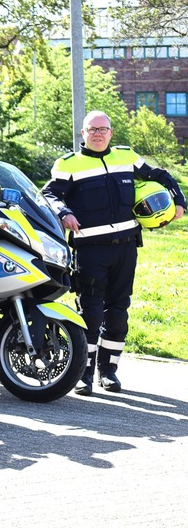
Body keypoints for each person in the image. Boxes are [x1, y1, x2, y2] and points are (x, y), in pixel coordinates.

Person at [42, 111, 184, 396]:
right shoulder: (69, 164)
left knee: (118, 312)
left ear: (111, 132)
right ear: (83, 134)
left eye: (102, 129)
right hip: (91, 250)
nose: (97, 134)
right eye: (92, 130)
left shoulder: (126, 157)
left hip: (126, 248)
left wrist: (179, 201)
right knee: (91, 313)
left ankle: (109, 371)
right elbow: (49, 194)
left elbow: (161, 175)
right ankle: (84, 374)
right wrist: (65, 212)